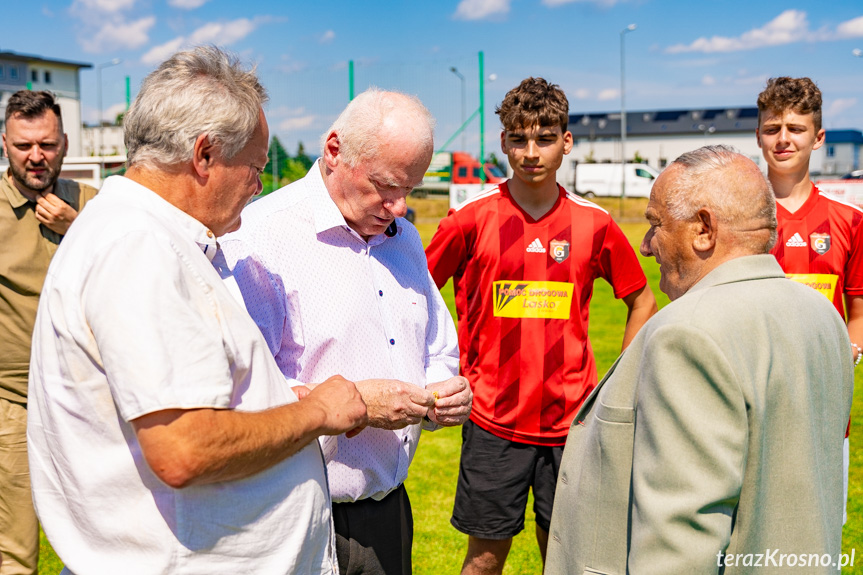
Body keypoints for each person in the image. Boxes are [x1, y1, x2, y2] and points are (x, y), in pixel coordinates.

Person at [27, 46, 368, 574]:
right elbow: (183, 448)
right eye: (254, 166)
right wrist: (316, 412)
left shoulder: (146, 235)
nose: (258, 186)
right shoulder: (139, 246)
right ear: (204, 155)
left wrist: (272, 401)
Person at [545, 145, 853, 575]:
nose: (647, 245)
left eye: (655, 224)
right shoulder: (822, 315)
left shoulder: (686, 332)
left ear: (704, 229)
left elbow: (680, 543)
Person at [221, 88, 472, 575]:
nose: (399, 208)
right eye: (385, 186)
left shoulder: (406, 241)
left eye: (411, 190)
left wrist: (445, 389)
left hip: (387, 513)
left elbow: (437, 347)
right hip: (295, 515)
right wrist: (356, 403)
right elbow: (240, 397)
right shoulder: (259, 236)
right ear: (335, 150)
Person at [424, 77, 657, 575]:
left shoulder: (594, 224)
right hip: (492, 421)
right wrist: (439, 367)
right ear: (504, 141)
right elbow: (415, 292)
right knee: (484, 560)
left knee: (567, 559)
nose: (531, 152)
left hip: (571, 425)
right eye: (519, 138)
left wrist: (621, 384)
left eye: (545, 137)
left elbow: (641, 299)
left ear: (566, 142)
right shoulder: (469, 218)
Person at [756, 76, 863, 521]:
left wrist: (848, 351)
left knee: (815, 543)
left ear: (818, 138)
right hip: (751, 409)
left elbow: (858, 311)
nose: (783, 139)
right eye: (772, 128)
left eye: (796, 129)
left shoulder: (849, 221)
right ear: (758, 135)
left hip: (823, 412)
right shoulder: (736, 220)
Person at [0, 90, 97, 575]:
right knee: (15, 549)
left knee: (110, 537)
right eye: (23, 145)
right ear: (4, 144)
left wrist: (77, 226)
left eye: (47, 143)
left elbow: (134, 266)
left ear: (63, 143)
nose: (36, 156)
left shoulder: (94, 206)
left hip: (90, 404)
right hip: (13, 403)